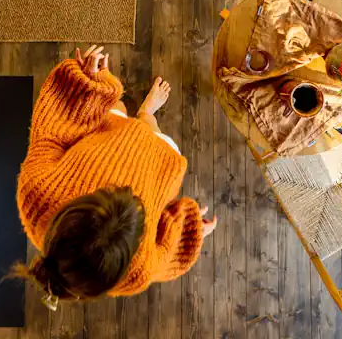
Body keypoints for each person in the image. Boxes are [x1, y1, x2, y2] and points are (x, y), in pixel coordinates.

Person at [13, 45, 217, 308]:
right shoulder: (136, 274)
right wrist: (192, 229)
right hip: (154, 160)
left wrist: (86, 86)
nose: (122, 186)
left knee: (116, 105)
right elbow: (165, 254)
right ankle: (147, 113)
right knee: (148, 126)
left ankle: (139, 114)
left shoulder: (36, 198)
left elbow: (50, 136)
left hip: (106, 135)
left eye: (108, 190)